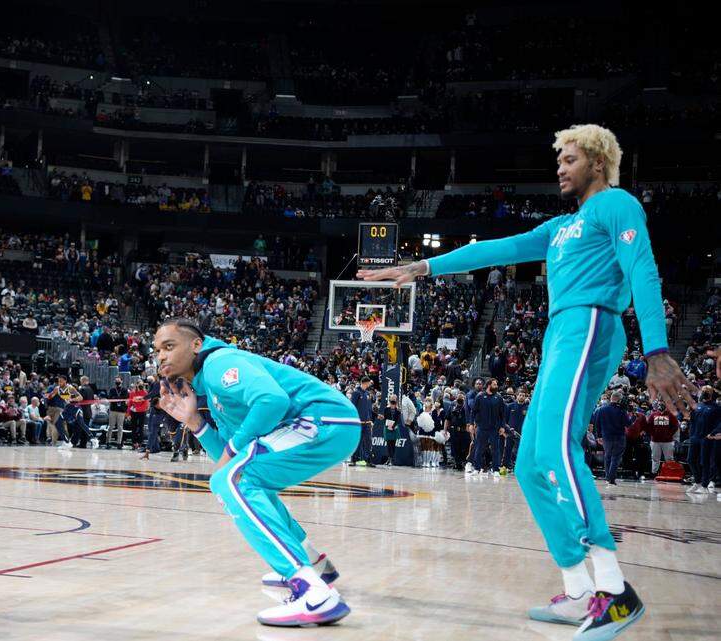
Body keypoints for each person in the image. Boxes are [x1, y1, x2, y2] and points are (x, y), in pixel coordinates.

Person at [358, 124, 695, 639]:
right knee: (530, 465)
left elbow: (644, 270)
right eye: (559, 159)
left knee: (559, 450)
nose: (560, 167)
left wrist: (657, 350)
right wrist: (423, 267)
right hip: (562, 332)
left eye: (571, 158)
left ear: (598, 164)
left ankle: (614, 590)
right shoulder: (561, 226)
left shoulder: (617, 205)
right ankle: (579, 589)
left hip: (591, 324)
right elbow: (495, 248)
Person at [154, 319, 358, 627]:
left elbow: (272, 400)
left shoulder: (220, 364)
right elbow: (226, 456)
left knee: (233, 480)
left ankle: (313, 594)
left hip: (323, 419)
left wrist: (232, 453)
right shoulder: (210, 387)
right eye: (157, 350)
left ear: (196, 345)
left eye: (169, 347)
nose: (161, 357)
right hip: (331, 425)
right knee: (244, 479)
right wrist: (195, 422)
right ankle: (315, 566)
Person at [685, 386, 719, 493]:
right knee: (690, 460)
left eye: (707, 391)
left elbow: (719, 423)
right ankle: (697, 481)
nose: (704, 392)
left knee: (704, 462)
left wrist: (713, 433)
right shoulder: (697, 406)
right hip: (695, 437)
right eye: (703, 391)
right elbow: (691, 421)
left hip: (706, 438)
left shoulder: (716, 408)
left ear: (711, 393)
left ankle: (704, 486)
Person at [592, 391, 630, 486]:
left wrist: (599, 436)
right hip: (619, 437)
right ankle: (611, 478)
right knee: (615, 458)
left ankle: (607, 477)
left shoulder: (601, 409)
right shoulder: (622, 410)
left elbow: (597, 424)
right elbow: (628, 424)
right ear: (618, 399)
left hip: (606, 437)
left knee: (607, 456)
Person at [470, 378, 506, 477]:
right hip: (482, 427)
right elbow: (473, 412)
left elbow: (502, 414)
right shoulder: (480, 396)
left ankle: (496, 469)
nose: (496, 386)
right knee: (479, 448)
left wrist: (502, 426)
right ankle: (476, 468)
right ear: (489, 385)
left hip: (494, 428)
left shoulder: (498, 398)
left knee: (495, 449)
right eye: (494, 385)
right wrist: (471, 424)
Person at [640, 401, 679, 475]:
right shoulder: (653, 415)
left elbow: (675, 427)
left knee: (669, 458)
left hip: (668, 441)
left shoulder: (671, 415)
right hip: (655, 441)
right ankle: (654, 473)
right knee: (655, 458)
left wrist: (669, 435)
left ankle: (669, 473)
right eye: (659, 404)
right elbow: (648, 426)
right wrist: (653, 434)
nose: (661, 405)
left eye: (663, 404)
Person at [348, 376, 377, 467]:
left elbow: (369, 408)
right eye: (369, 383)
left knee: (368, 442)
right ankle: (354, 459)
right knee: (357, 441)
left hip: (367, 423)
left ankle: (368, 460)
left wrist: (371, 419)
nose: (369, 385)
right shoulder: (356, 393)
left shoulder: (367, 393)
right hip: (358, 423)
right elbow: (352, 407)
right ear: (365, 382)